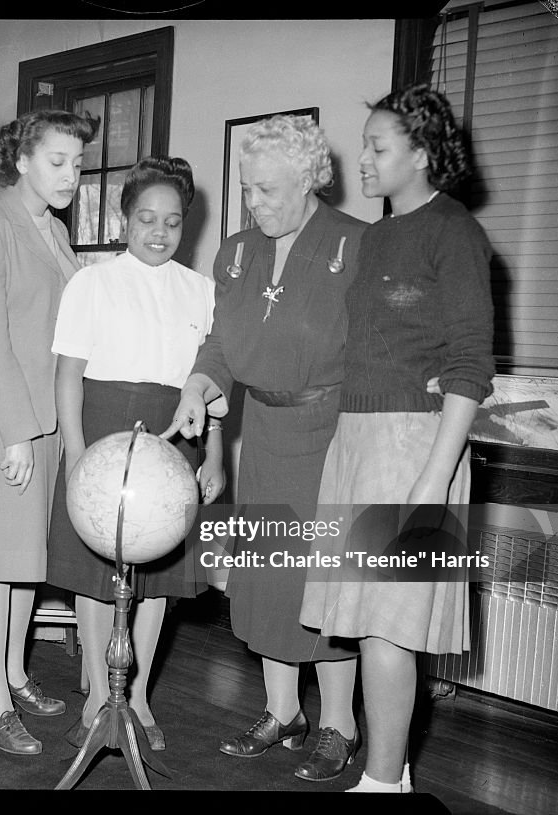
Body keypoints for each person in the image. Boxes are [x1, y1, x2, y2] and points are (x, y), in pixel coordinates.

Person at [299, 84, 494, 793]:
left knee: (388, 627)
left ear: (421, 153)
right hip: (359, 441)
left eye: (379, 148)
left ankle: (383, 783)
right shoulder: (378, 234)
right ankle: (390, 776)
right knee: (367, 623)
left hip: (415, 447)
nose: (366, 161)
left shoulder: (455, 233)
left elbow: (471, 364)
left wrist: (433, 478)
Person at [163, 114, 365, 781]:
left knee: (328, 580)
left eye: (269, 191)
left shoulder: (357, 244)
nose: (255, 203)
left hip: (333, 435)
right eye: (249, 189)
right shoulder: (237, 252)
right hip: (269, 435)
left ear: (309, 180)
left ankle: (339, 722)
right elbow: (221, 341)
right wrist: (199, 383)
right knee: (273, 575)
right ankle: (283, 710)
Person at [48, 156, 226, 753]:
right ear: (124, 218)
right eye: (146, 218)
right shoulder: (91, 283)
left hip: (176, 439)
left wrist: (214, 455)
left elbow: (211, 385)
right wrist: (75, 456)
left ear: (186, 227)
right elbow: (68, 378)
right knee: (98, 576)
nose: (159, 231)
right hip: (103, 433)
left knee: (158, 580)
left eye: (172, 222)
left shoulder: (201, 290)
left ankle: (139, 695)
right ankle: (100, 697)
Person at [0, 109, 98, 755]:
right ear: (23, 160)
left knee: (23, 564)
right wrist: (16, 430)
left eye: (77, 162)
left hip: (42, 417)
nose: (71, 174)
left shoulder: (56, 230)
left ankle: (12, 674)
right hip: (2, 417)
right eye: (57, 161)